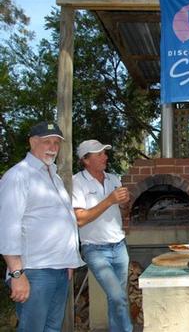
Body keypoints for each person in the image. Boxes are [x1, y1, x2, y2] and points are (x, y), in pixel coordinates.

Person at [0, 121, 84, 332]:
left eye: (56, 143)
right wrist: (17, 274)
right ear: (32, 142)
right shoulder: (18, 176)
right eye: (47, 142)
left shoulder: (53, 176)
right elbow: (7, 228)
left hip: (59, 269)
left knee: (52, 329)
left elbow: (61, 220)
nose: (53, 147)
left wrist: (69, 260)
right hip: (35, 271)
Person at [72, 139, 133, 332]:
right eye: (99, 154)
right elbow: (80, 219)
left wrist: (124, 204)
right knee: (118, 297)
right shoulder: (76, 182)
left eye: (104, 153)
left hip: (119, 245)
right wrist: (109, 200)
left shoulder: (113, 178)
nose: (105, 157)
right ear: (86, 160)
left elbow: (124, 213)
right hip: (95, 249)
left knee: (117, 299)